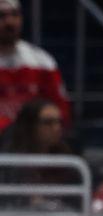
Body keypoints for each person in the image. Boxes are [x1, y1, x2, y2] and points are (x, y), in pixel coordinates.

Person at [0, 0, 69, 133]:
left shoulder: (42, 62)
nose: (9, 22)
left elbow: (61, 110)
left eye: (14, 15)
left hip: (33, 145)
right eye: (1, 16)